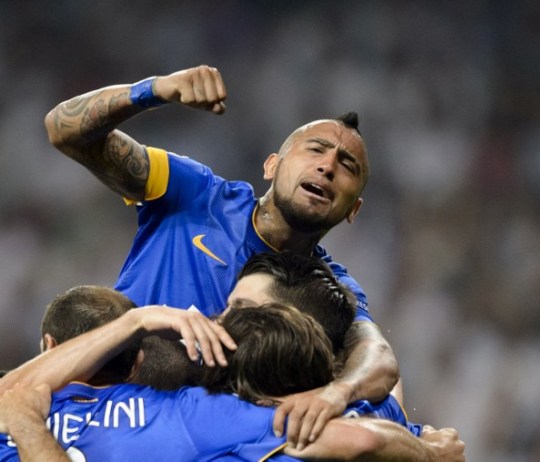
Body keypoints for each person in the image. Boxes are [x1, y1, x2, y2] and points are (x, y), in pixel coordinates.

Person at [44, 65, 400, 447]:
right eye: (315, 149)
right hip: (96, 417)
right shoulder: (197, 195)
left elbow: (379, 359)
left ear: (353, 209)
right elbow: (65, 131)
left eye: (347, 166)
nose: (327, 167)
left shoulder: (326, 289)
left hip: (203, 448)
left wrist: (337, 393)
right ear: (272, 165)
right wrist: (154, 90)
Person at [0, 299, 464, 461]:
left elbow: (363, 436)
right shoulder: (186, 412)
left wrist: (28, 427)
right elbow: (377, 417)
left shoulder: (206, 416)